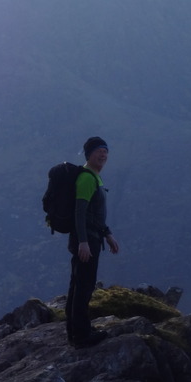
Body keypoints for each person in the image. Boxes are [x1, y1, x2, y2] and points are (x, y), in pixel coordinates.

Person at [65, 136, 119, 347]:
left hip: (90, 237)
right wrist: (83, 242)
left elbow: (93, 214)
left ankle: (75, 331)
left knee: (77, 286)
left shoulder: (94, 177)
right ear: (89, 154)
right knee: (84, 287)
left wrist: (108, 234)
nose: (103, 155)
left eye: (105, 152)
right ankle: (81, 335)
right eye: (99, 151)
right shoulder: (87, 178)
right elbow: (80, 212)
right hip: (86, 241)